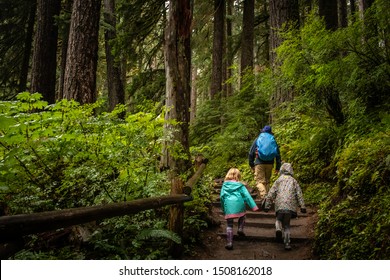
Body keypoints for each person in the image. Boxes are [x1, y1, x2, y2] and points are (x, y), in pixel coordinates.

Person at [263, 163, 306, 250]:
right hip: (290, 206)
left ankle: (278, 228)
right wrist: (302, 206)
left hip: (280, 205)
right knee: (286, 225)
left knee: (278, 219)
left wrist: (267, 206)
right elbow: (299, 194)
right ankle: (287, 244)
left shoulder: (278, 180)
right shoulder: (294, 181)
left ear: (281, 170)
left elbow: (271, 193)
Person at [220, 168, 259, 250]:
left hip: (229, 205)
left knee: (229, 225)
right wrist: (253, 206)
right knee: (243, 215)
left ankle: (229, 243)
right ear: (238, 176)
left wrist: (223, 208)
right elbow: (247, 196)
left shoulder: (224, 185)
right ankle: (240, 228)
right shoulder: (240, 185)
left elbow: (222, 197)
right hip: (239, 204)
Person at [248, 125, 281, 199]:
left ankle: (264, 196)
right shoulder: (273, 139)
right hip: (270, 163)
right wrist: (277, 167)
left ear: (263, 131)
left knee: (259, 182)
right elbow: (278, 154)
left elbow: (251, 153)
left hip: (259, 163)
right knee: (267, 181)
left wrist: (251, 164)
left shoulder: (258, 139)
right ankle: (268, 199)